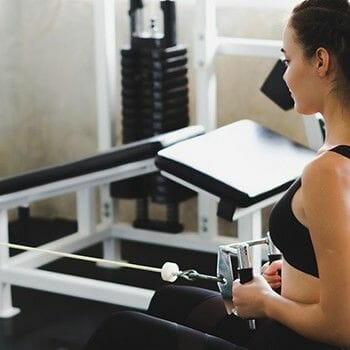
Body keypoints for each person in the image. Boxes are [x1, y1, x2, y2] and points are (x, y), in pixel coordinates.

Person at [84, 0, 350, 349]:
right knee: (170, 300)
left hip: (297, 341)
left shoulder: (327, 172)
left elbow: (342, 327)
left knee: (120, 330)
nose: (284, 75)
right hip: (295, 321)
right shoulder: (334, 157)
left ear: (320, 61)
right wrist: (298, 272)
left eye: (287, 60)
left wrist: (267, 301)